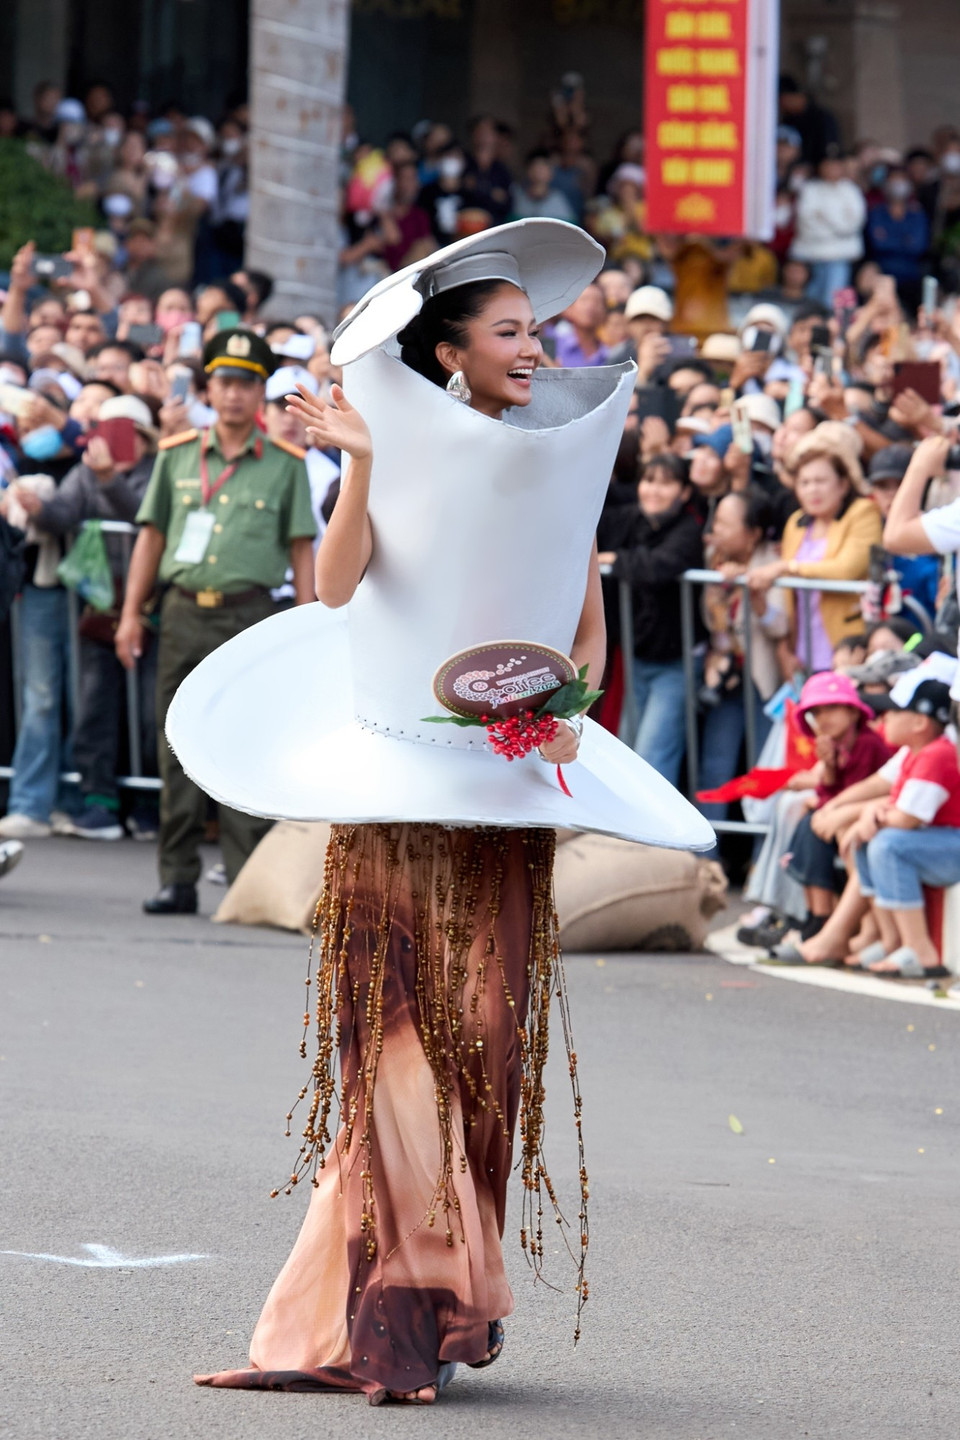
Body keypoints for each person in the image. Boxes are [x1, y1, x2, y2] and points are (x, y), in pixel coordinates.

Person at [167, 221, 712, 1404]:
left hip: (501, 816)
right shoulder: (396, 450)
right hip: (394, 811)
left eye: (538, 330)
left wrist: (564, 712)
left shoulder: (558, 460)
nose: (535, 349)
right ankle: (371, 1334)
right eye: (510, 332)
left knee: (482, 1060)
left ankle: (406, 1321)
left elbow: (578, 632)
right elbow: (335, 587)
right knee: (391, 1064)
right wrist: (367, 460)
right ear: (451, 352)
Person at [114, 329, 317, 913]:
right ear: (208, 388)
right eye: (224, 382)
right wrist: (131, 615)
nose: (234, 395)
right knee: (173, 743)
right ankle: (176, 877)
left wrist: (303, 627)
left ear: (261, 395)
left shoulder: (286, 464)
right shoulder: (177, 454)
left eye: (247, 384)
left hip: (250, 617)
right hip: (181, 612)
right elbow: (150, 540)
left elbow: (302, 548)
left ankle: (246, 874)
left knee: (244, 741)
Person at [25, 396, 160, 840]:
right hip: (97, 608)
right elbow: (64, 515)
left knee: (150, 712)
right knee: (95, 706)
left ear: (144, 438)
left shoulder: (158, 471)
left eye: (128, 432)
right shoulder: (85, 470)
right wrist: (38, 510)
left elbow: (143, 517)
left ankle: (149, 806)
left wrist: (109, 478)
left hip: (151, 608)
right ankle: (98, 803)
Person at [599, 452, 704, 786]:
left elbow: (660, 565)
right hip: (638, 659)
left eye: (666, 483)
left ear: (685, 492)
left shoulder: (688, 530)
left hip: (676, 663)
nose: (654, 491)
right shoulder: (633, 519)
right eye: (648, 481)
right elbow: (595, 513)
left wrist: (616, 560)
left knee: (652, 756)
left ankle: (655, 840)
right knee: (627, 750)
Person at [844, 672, 959, 978]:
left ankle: (921, 951)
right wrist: (872, 813)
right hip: (938, 842)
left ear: (920, 722)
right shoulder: (914, 753)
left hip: (951, 842)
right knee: (868, 841)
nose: (884, 719)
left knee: (889, 844)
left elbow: (908, 818)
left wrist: (873, 817)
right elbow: (897, 807)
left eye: (893, 712)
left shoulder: (938, 754)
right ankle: (892, 939)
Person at [748, 437, 883, 675]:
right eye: (804, 482)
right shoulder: (796, 523)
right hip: (802, 651)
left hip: (846, 650)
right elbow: (790, 596)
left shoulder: (863, 513)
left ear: (842, 484)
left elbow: (846, 570)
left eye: (821, 481)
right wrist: (785, 647)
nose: (812, 489)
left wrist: (787, 566)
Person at [790, 152, 867, 308]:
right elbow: (806, 223)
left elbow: (853, 224)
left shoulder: (851, 191)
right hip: (811, 254)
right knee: (809, 299)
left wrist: (824, 216)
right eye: (828, 165)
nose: (832, 169)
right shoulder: (810, 189)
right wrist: (837, 223)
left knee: (832, 301)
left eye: (836, 165)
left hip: (840, 256)